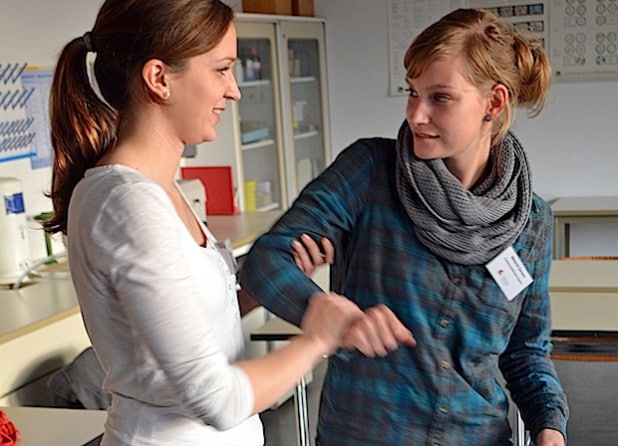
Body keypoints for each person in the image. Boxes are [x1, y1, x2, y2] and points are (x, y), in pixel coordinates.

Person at [44, 1, 414, 445]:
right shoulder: (128, 205)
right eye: (221, 69)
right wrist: (318, 338)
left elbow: (179, 323)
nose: (234, 90)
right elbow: (215, 399)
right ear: (159, 78)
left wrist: (256, 292)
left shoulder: (159, 189)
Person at [240, 8, 569, 446]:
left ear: (494, 102)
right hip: (365, 433)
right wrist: (335, 318)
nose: (416, 114)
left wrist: (550, 427)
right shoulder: (369, 172)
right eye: (413, 93)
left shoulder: (530, 223)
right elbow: (265, 261)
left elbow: (527, 352)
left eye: (440, 98)